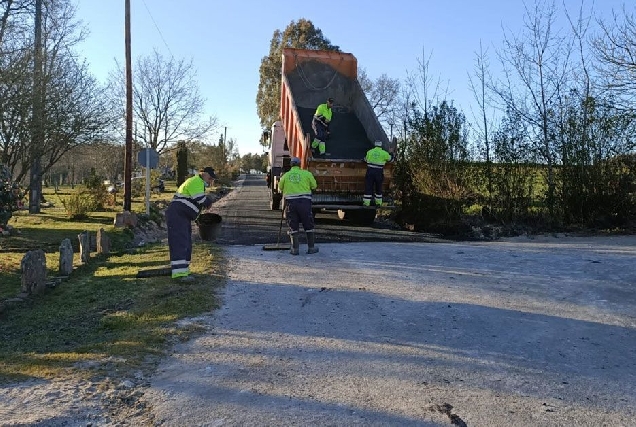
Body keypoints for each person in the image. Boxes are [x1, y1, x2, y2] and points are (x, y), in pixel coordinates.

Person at [165, 166, 217, 280]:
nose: (211, 181)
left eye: (212, 179)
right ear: (203, 174)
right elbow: (201, 199)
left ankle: (184, 269)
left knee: (186, 242)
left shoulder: (198, 183)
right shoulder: (196, 181)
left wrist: (198, 218)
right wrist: (209, 201)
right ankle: (179, 274)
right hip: (177, 215)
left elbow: (193, 202)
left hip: (182, 216)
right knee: (180, 241)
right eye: (210, 178)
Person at [278, 157, 319, 255]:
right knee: (308, 224)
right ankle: (311, 248)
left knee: (293, 225)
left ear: (291, 165)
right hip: (304, 203)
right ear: (300, 164)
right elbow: (314, 186)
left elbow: (280, 188)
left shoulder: (285, 176)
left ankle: (295, 249)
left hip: (291, 204)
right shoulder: (307, 174)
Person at [363, 140, 393, 207]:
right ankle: (378, 203)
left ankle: (366, 203)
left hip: (370, 172)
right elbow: (391, 159)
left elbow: (365, 159)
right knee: (378, 188)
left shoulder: (370, 152)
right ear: (381, 145)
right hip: (379, 172)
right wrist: (391, 153)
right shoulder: (384, 153)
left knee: (368, 187)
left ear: (375, 145)